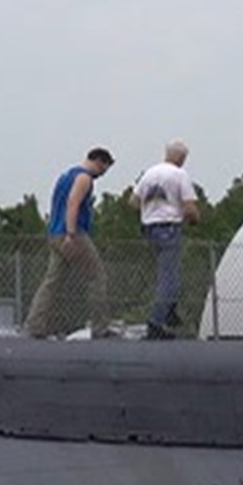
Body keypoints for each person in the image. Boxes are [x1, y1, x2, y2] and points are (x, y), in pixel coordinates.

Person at [23, 147, 116, 339]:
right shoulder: (84, 178)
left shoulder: (65, 176)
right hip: (73, 234)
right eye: (104, 169)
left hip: (55, 232)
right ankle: (101, 327)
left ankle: (34, 325)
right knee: (96, 276)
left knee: (52, 281)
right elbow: (73, 203)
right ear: (99, 162)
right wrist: (71, 234)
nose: (102, 174)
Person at [131, 139, 200, 339]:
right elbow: (189, 207)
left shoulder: (149, 174)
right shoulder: (179, 175)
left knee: (167, 274)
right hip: (169, 228)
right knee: (169, 279)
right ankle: (157, 322)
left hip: (149, 228)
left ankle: (170, 312)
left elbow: (133, 201)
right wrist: (194, 219)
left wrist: (151, 210)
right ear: (181, 158)